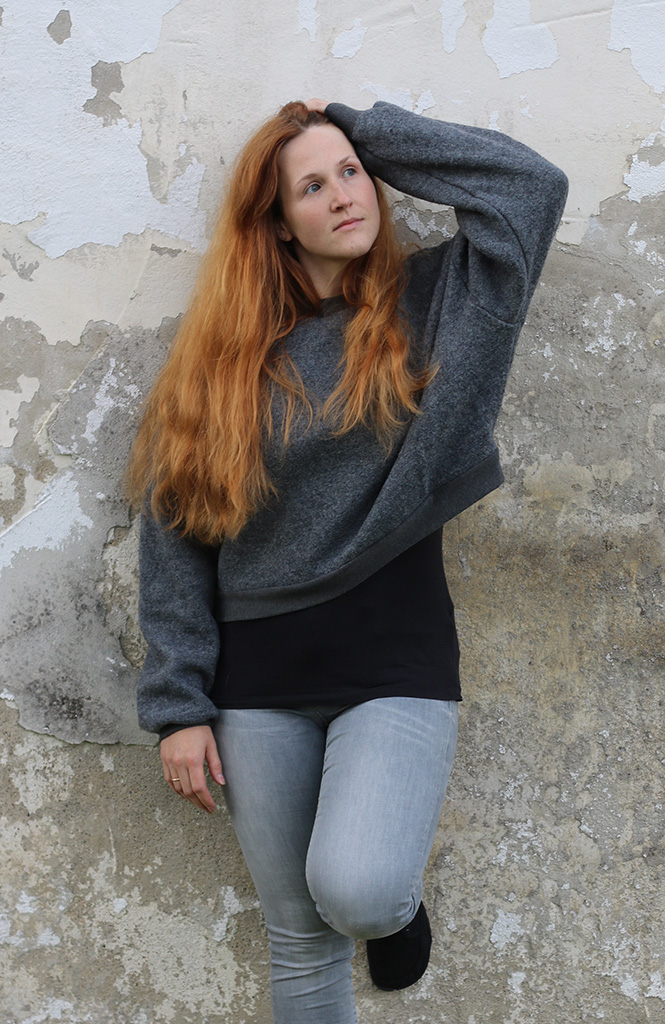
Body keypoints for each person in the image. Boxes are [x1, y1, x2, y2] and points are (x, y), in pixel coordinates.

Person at [128, 97, 568, 1024]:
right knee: (299, 942)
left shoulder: (442, 301)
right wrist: (178, 706)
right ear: (277, 223)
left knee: (358, 892)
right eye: (311, 186)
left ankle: (394, 911)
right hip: (257, 680)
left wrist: (356, 126)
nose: (341, 195)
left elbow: (530, 188)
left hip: (393, 656)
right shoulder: (220, 362)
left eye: (351, 174)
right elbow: (174, 531)